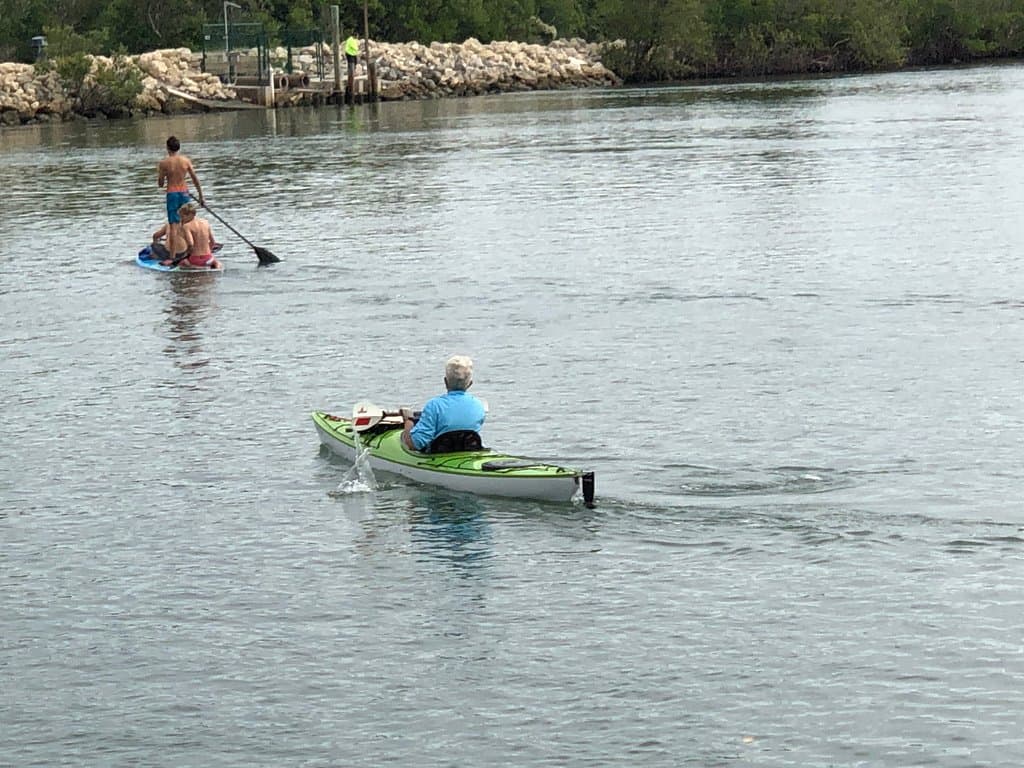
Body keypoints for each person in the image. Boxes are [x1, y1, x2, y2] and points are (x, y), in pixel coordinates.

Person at [402, 355, 487, 453]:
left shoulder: (434, 406)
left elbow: (414, 444)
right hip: (468, 452)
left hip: (439, 455)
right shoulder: (478, 405)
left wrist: (408, 421)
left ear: (445, 382)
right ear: (470, 384)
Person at [157, 136, 204, 254]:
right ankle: (193, 251)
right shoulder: (186, 161)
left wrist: (162, 177)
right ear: (178, 148)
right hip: (184, 193)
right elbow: (195, 179)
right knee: (188, 223)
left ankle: (172, 257)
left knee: (173, 225)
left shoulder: (164, 163)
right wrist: (201, 197)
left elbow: (161, 184)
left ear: (167, 148)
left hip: (172, 194)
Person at [165, 202, 222, 269]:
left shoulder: (187, 226)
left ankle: (194, 266)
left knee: (181, 263)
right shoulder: (205, 222)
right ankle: (215, 264)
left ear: (190, 215)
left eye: (182, 216)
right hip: (208, 257)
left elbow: (191, 244)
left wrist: (184, 256)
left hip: (195, 259)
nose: (181, 219)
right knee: (214, 261)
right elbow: (212, 242)